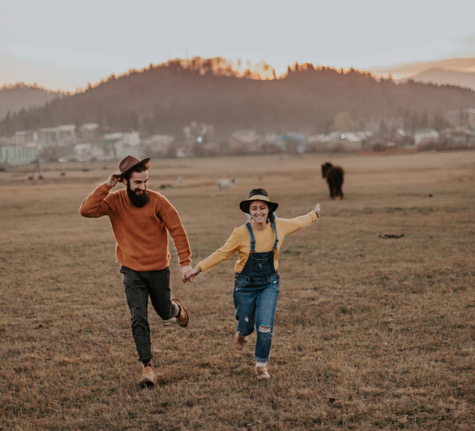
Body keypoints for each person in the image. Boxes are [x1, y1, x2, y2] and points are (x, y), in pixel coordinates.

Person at [79, 155, 192, 388]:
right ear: (125, 182)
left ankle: (176, 308)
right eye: (138, 183)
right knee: (138, 316)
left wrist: (185, 263)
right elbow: (86, 210)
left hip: (158, 269)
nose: (143, 187)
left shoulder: (158, 201)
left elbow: (177, 230)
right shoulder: (114, 201)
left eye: (145, 182)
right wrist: (107, 185)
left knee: (163, 312)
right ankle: (148, 368)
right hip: (131, 271)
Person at [184, 188, 320, 380]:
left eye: (262, 208)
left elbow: (298, 222)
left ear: (268, 209)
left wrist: (314, 214)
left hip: (269, 284)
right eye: (254, 208)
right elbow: (222, 253)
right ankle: (241, 333)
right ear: (249, 211)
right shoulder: (240, 233)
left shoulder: (278, 226)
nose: (258, 212)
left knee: (265, 327)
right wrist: (197, 269)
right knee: (247, 325)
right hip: (245, 285)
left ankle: (261, 365)